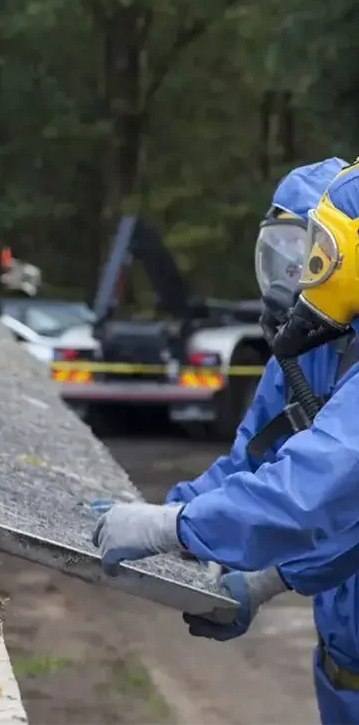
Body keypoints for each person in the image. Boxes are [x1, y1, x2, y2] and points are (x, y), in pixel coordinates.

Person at [92, 156, 359, 724]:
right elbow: (253, 462)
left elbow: (320, 491)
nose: (294, 275)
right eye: (282, 254)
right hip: (344, 666)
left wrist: (183, 533)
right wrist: (174, 512)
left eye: (311, 254)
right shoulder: (305, 353)